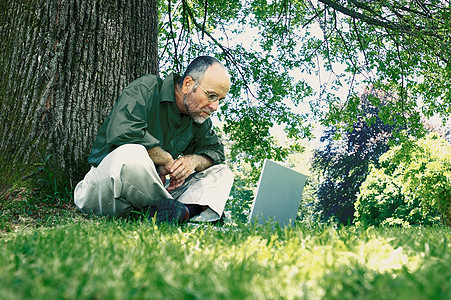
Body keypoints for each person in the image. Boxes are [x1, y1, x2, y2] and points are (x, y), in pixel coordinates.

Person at [74, 56, 234, 224]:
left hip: (155, 191)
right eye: (211, 96)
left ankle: (176, 212)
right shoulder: (147, 88)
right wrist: (165, 159)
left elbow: (215, 152)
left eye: (219, 100)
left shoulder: (199, 117)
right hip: (109, 190)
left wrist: (193, 161)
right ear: (188, 84)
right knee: (132, 153)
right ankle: (190, 211)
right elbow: (122, 131)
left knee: (222, 173)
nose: (215, 107)